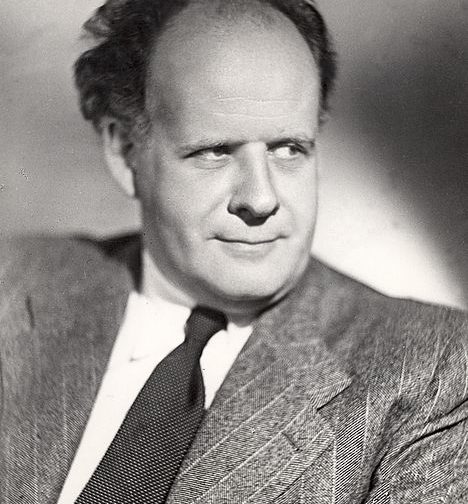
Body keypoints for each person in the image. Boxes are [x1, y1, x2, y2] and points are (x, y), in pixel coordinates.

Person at [1, 0, 467, 502]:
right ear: (124, 152)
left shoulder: (431, 368)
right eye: (216, 151)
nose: (261, 199)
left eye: (289, 149)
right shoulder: (15, 281)